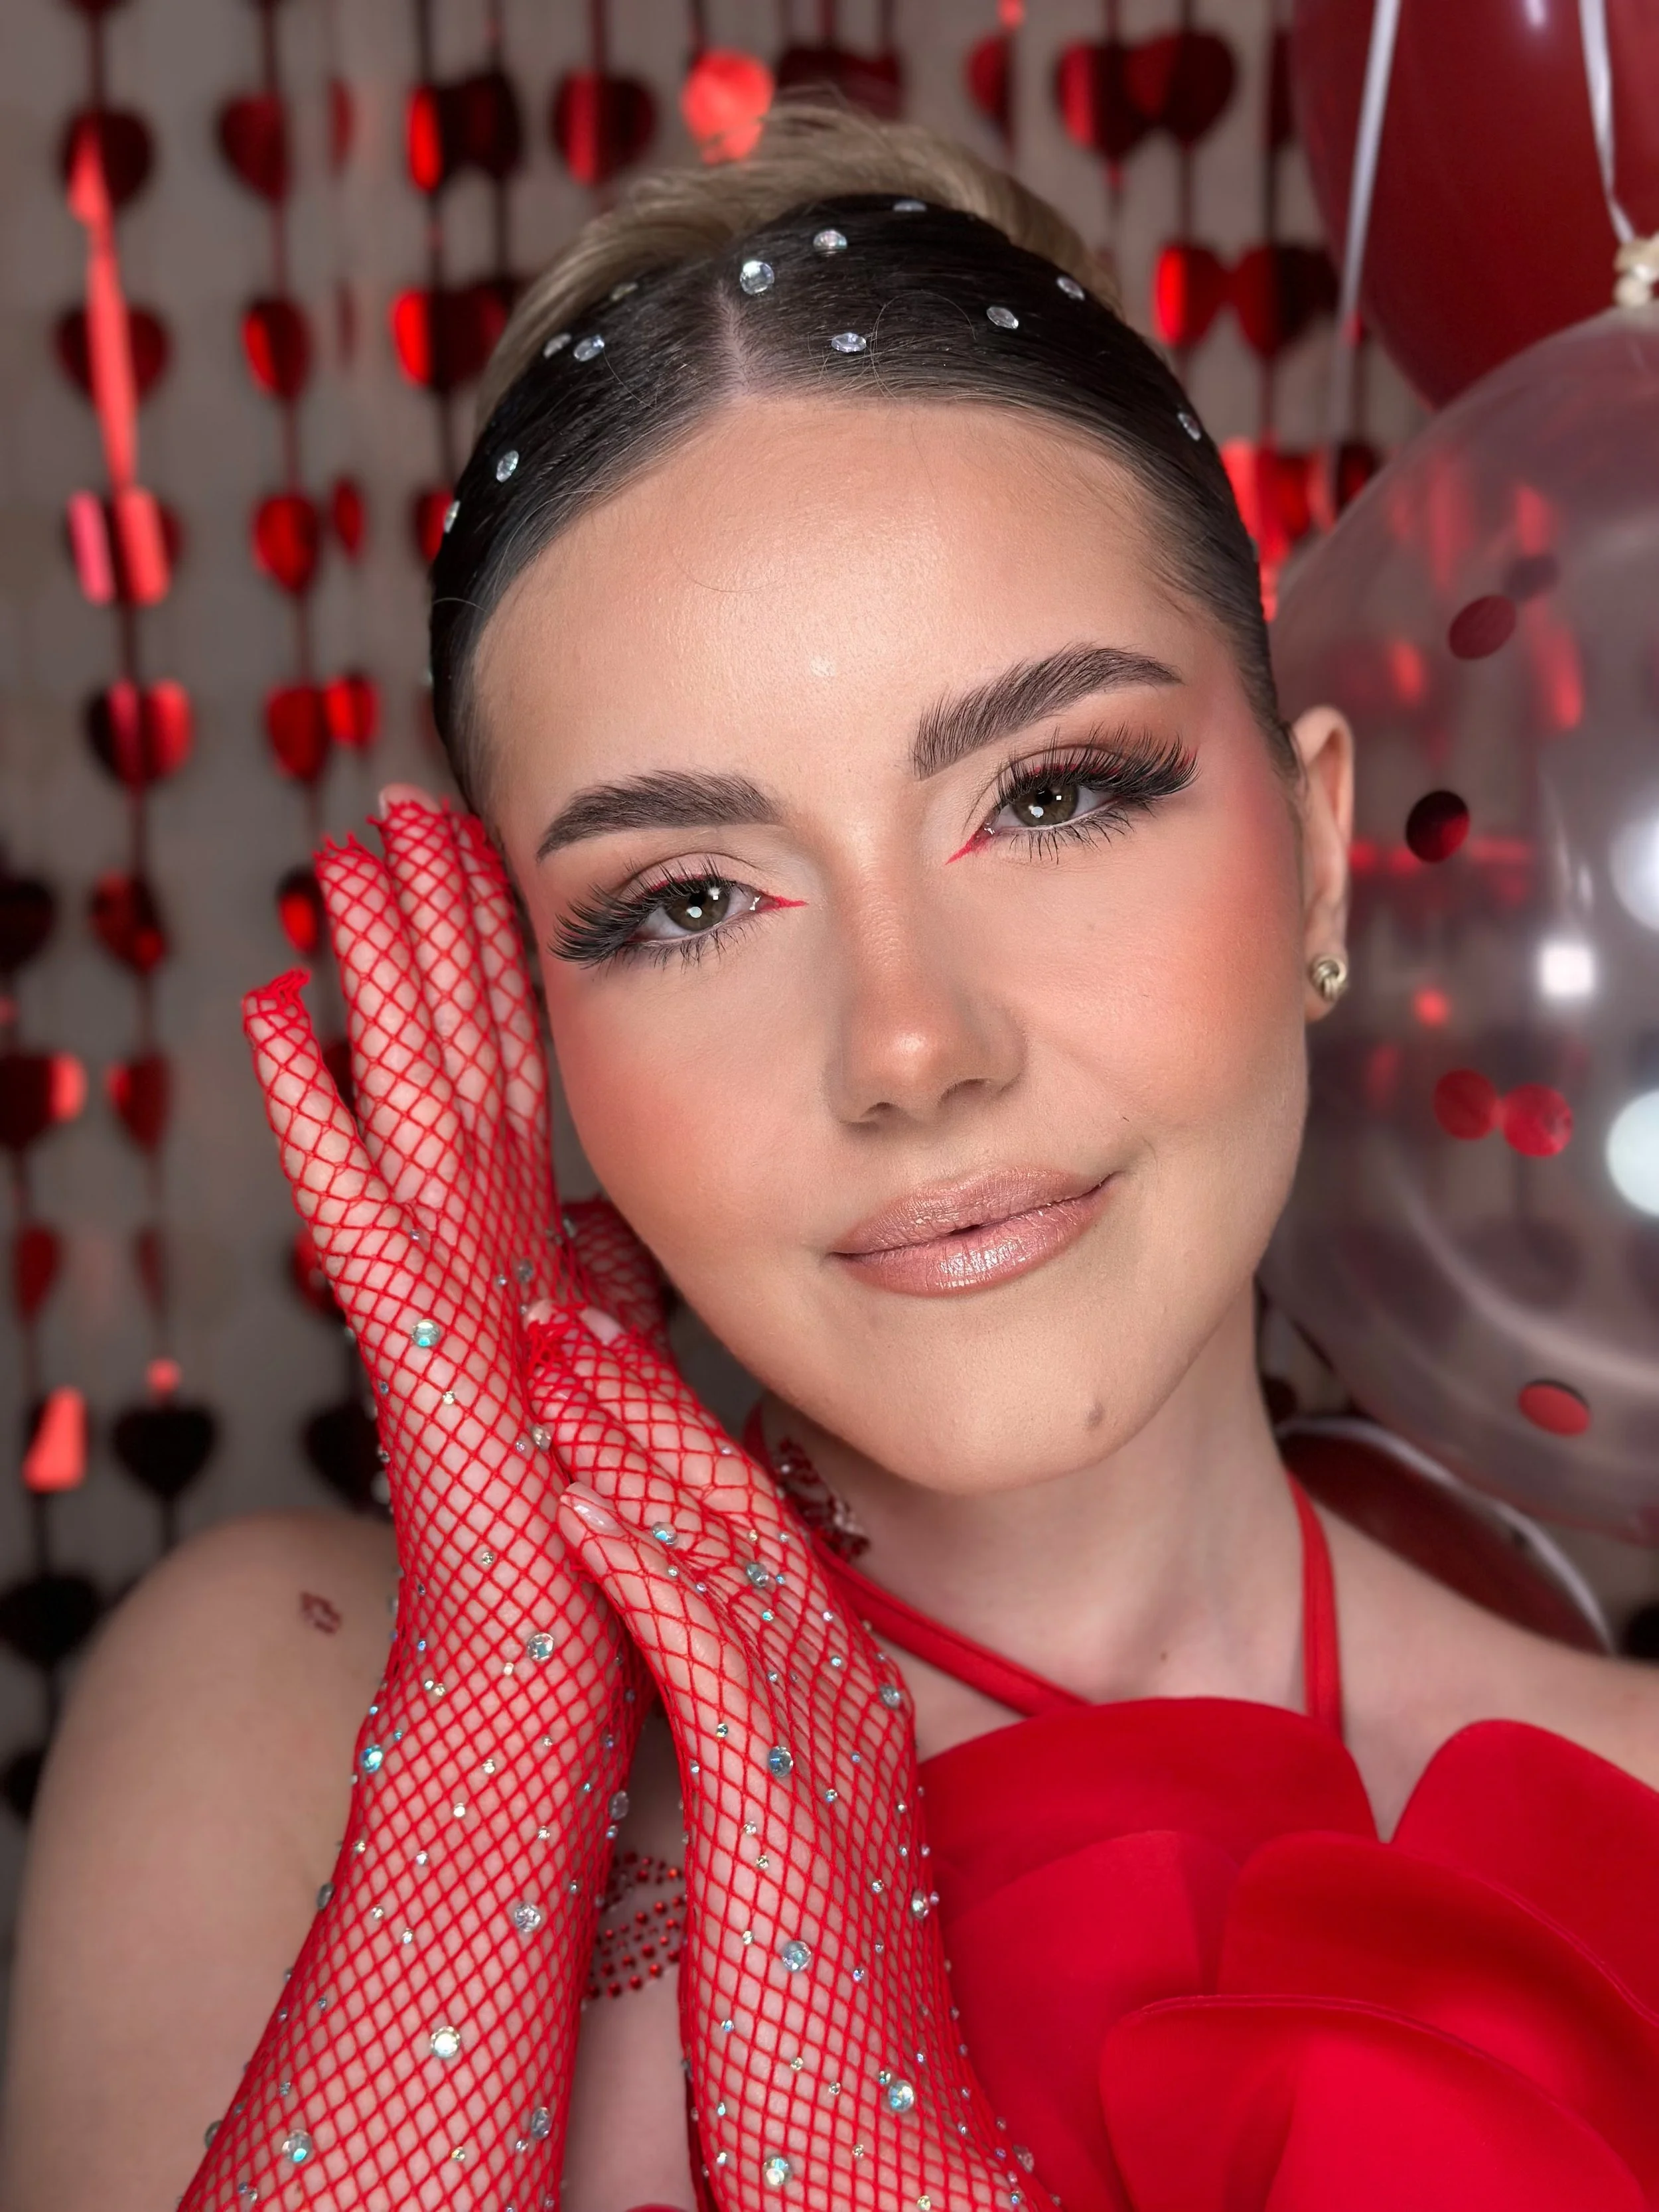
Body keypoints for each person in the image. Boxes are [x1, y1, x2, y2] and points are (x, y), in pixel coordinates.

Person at [6, 100, 1659, 2212]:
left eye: (1053, 793)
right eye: (683, 900)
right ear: (527, 1012)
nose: (909, 1048)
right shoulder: (279, 1709)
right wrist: (506, 1711)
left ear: (1320, 843)